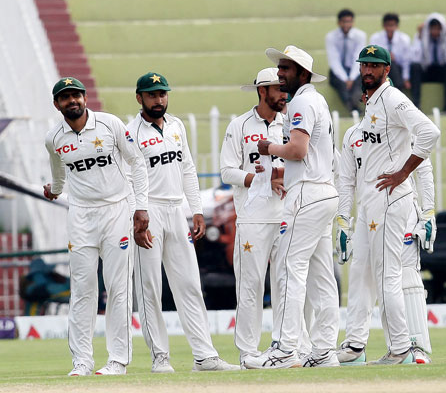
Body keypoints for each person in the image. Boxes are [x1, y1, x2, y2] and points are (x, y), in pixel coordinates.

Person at [126, 72, 237, 373]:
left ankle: (205, 356)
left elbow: (188, 168)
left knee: (189, 284)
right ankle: (160, 357)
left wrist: (197, 209)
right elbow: (128, 178)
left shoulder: (176, 125)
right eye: (152, 95)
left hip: (177, 210)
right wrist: (139, 212)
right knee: (149, 286)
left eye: (162, 94)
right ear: (140, 98)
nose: (159, 99)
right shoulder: (130, 132)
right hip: (148, 214)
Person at [43, 77, 150, 376]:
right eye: (65, 98)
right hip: (80, 214)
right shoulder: (54, 139)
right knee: (82, 289)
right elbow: (60, 175)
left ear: (85, 98)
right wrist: (53, 190)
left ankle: (117, 360)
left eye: (76, 95)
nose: (72, 101)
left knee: (117, 287)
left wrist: (141, 207)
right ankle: (82, 362)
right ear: (57, 105)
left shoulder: (110, 124)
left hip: (117, 209)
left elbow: (137, 163)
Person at [243, 45, 340, 369]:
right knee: (321, 275)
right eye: (280, 68)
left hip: (307, 193)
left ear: (302, 73)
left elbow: (297, 150)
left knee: (288, 268)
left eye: (286, 68)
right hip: (325, 190)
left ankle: (285, 350)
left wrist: (269, 147)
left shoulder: (300, 102)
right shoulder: (318, 101)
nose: (280, 73)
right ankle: (325, 351)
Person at [352, 44, 440, 365]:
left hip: (392, 200)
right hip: (373, 202)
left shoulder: (392, 98)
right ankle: (364, 345)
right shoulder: (373, 101)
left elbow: (429, 132)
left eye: (374, 66)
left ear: (386, 70)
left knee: (390, 276)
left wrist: (403, 172)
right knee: (368, 273)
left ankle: (402, 348)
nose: (367, 71)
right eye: (364, 65)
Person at [335, 115, 437, 365]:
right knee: (361, 274)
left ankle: (415, 345)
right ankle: (355, 345)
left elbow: (423, 170)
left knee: (402, 273)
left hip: (401, 209)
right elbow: (347, 181)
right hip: (367, 211)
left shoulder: (402, 129)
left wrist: (428, 213)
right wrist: (342, 221)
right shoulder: (352, 135)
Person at [219, 68, 287, 366]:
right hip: (252, 217)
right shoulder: (240, 125)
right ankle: (248, 351)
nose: (284, 93)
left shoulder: (291, 122)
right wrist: (256, 179)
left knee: (287, 283)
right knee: (250, 285)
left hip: (286, 215)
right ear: (263, 91)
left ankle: (286, 346)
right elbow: (226, 171)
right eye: (278, 88)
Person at [409, 13, 446, 111]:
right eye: (433, 29)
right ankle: (416, 106)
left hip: (441, 71)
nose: (435, 32)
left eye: (438, 29)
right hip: (427, 71)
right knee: (415, 67)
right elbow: (415, 58)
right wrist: (419, 37)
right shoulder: (422, 38)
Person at [326, 9, 366, 112]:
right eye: (344, 21)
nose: (346, 24)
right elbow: (334, 61)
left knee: (359, 80)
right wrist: (345, 79)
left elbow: (358, 57)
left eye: (349, 21)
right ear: (339, 22)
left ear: (353, 22)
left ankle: (354, 106)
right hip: (339, 71)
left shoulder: (360, 36)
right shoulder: (331, 37)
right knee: (341, 84)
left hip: (355, 69)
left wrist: (351, 78)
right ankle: (354, 109)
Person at [369, 13, 412, 90]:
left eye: (392, 25)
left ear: (397, 26)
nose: (390, 28)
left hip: (398, 69)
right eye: (388, 25)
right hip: (381, 69)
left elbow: (406, 61)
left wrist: (406, 79)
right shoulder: (375, 38)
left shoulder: (404, 39)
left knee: (393, 65)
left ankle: (398, 88)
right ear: (384, 26)